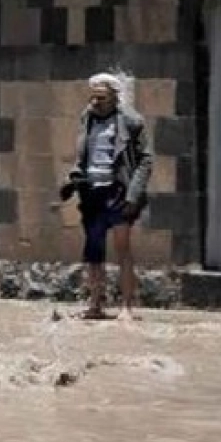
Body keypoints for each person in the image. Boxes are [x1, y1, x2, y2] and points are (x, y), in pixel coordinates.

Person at [54, 70, 153, 321]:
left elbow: (145, 160)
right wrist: (72, 179)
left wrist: (133, 195)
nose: (95, 103)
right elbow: (82, 155)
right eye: (93, 97)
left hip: (117, 191)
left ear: (114, 98)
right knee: (94, 251)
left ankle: (127, 307)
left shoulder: (132, 121)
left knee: (122, 248)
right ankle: (95, 304)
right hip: (91, 192)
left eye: (101, 98)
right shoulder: (87, 118)